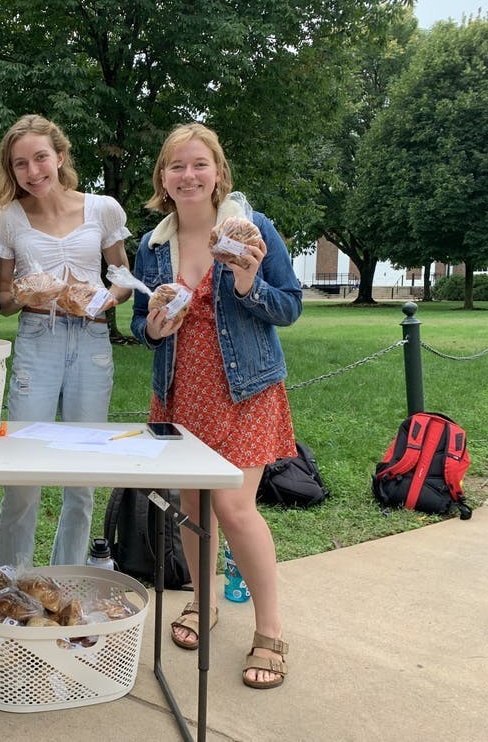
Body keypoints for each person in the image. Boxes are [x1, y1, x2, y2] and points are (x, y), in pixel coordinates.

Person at [129, 122, 302, 689]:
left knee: (233, 507)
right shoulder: (153, 246)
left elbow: (289, 307)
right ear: (163, 178)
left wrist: (249, 282)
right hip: (180, 390)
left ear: (218, 172)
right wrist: (154, 327)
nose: (188, 175)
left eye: (199, 164)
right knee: (193, 505)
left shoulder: (252, 229)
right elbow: (141, 321)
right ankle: (203, 603)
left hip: (245, 388)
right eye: (176, 166)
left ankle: (270, 629)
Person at [0, 114, 133, 568]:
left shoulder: (102, 209)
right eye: (20, 164)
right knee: (23, 471)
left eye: (41, 158)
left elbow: (122, 278)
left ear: (60, 156)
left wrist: (106, 298)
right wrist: (28, 294)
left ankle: (67, 578)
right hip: (38, 340)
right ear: (11, 170)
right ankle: (12, 581)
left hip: (91, 340)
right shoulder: (5, 219)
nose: (33, 172)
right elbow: (3, 301)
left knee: (82, 474)